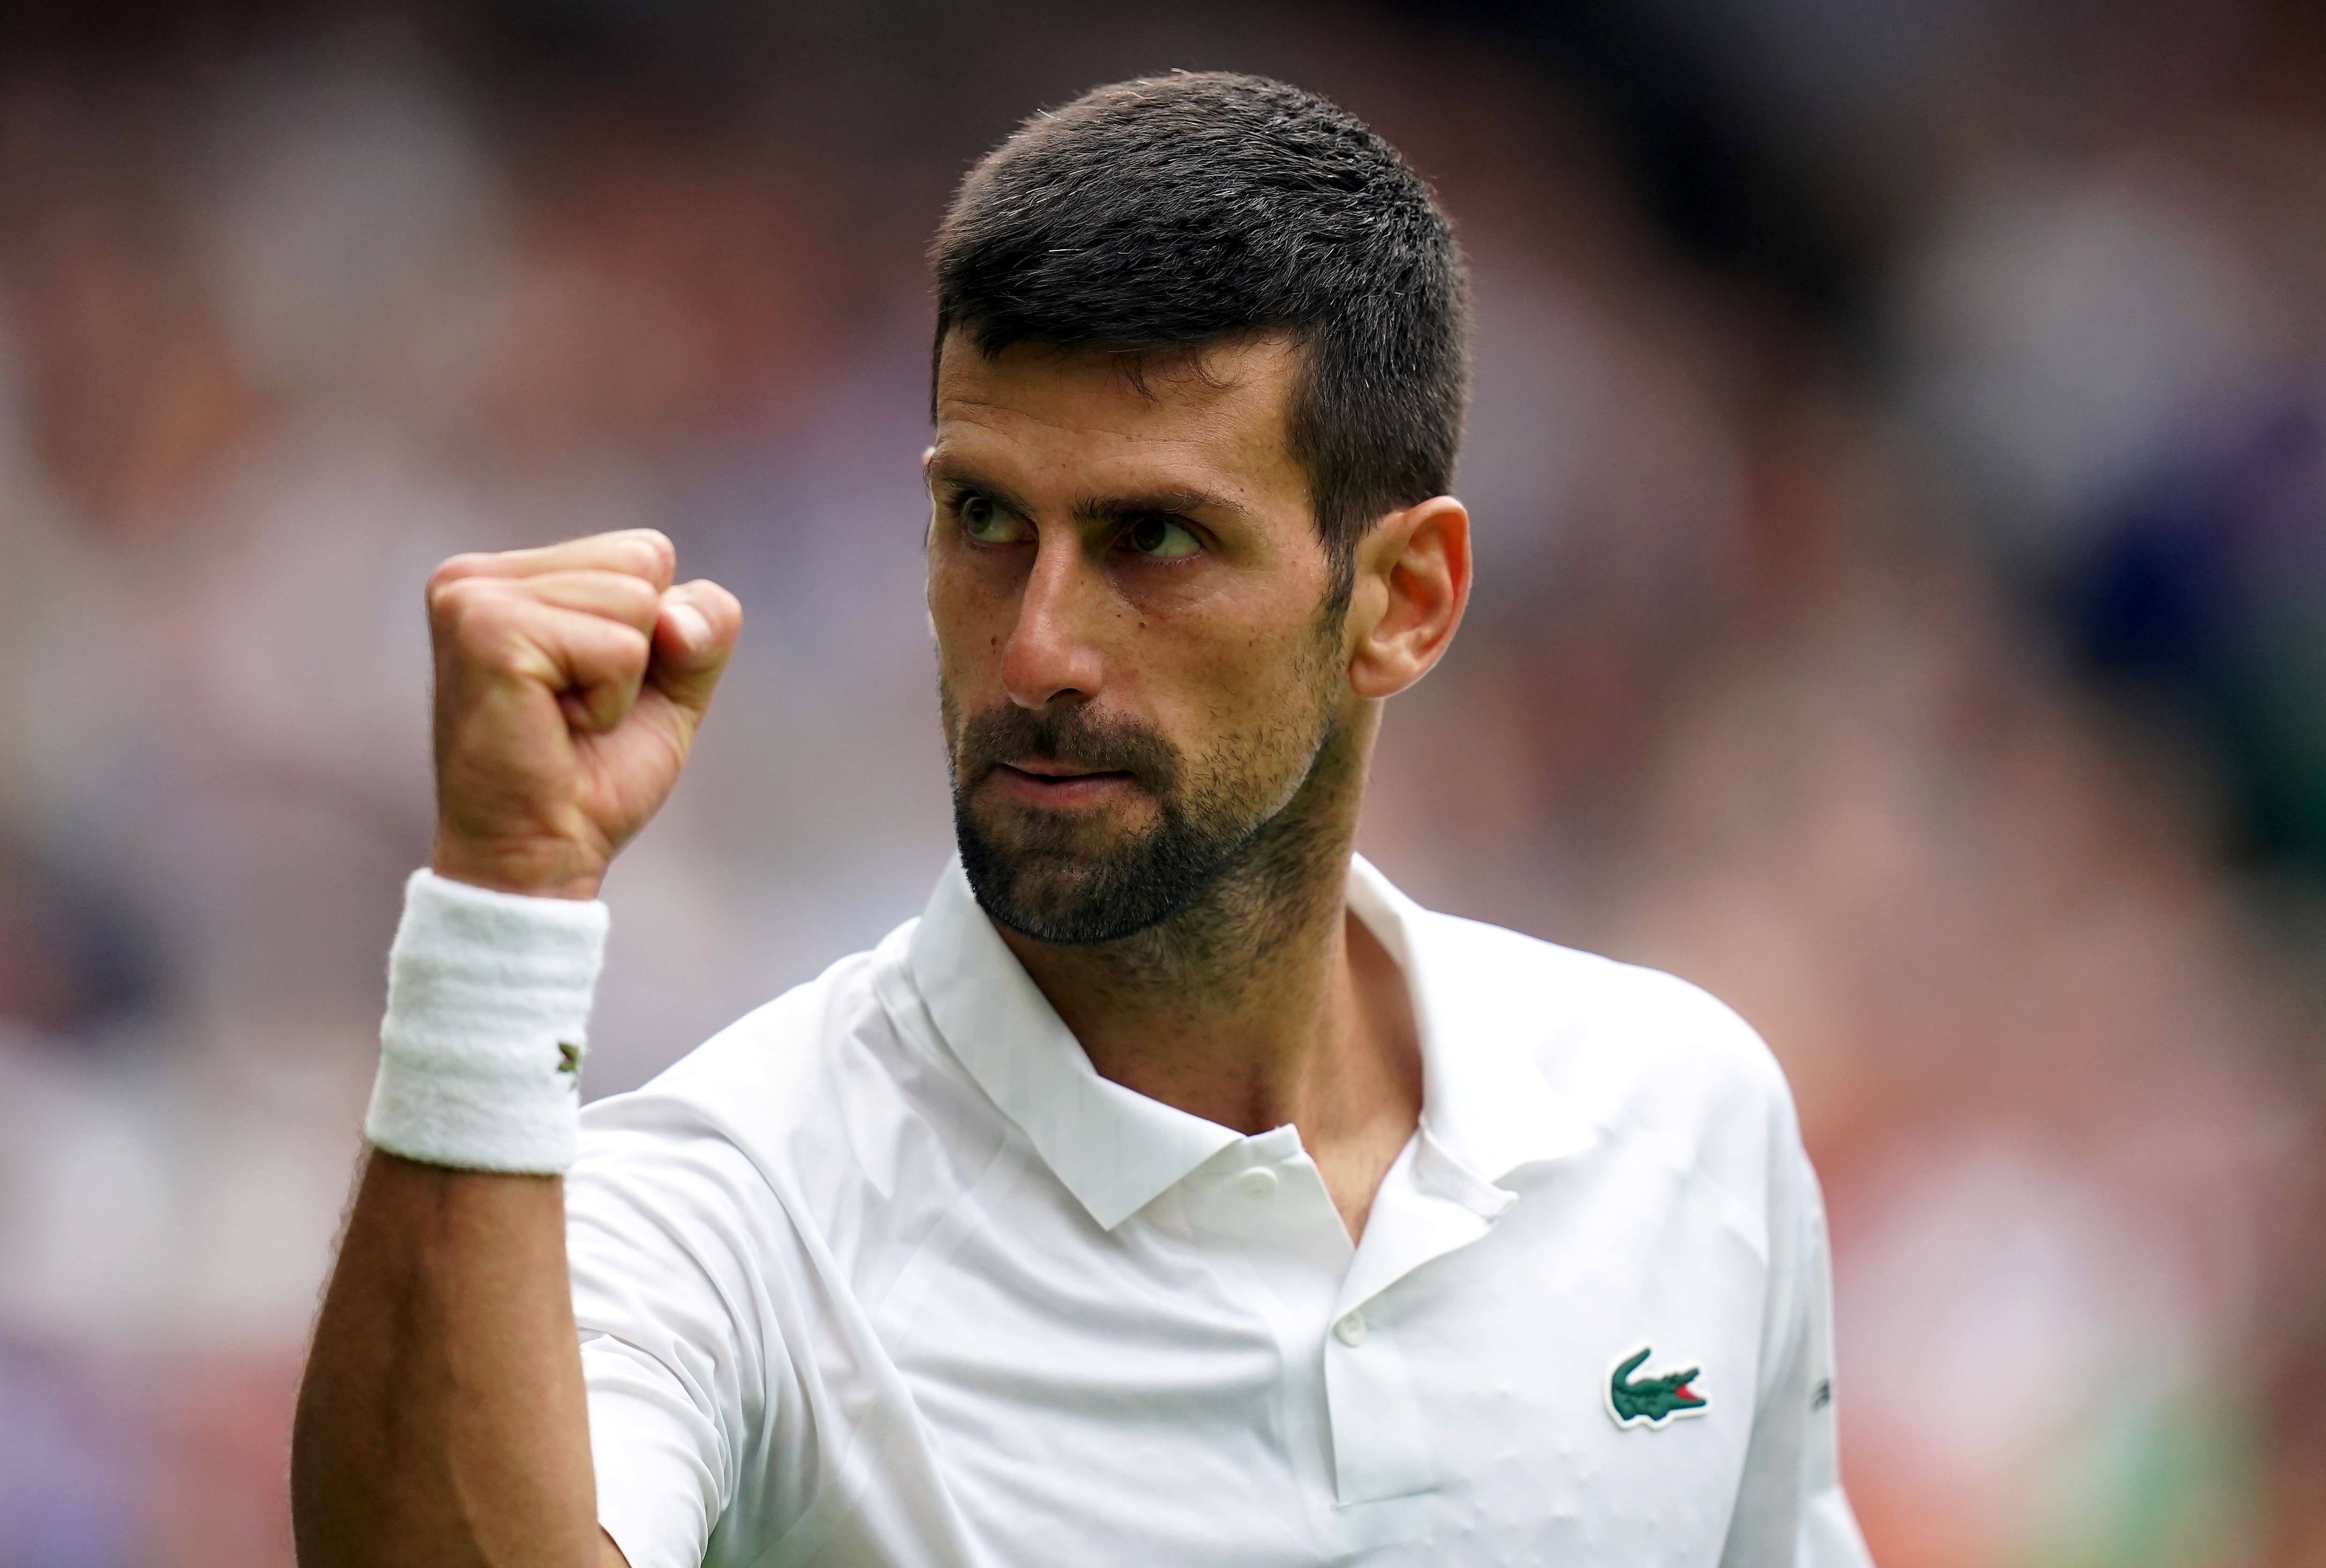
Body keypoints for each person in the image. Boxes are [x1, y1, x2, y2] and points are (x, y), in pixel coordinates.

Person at [290, 72, 1871, 1568]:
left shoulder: (1688, 1118)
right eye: (982, 520)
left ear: (1403, 599)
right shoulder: (733, 1207)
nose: (1036, 648)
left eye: (1155, 539)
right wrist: (503, 908)